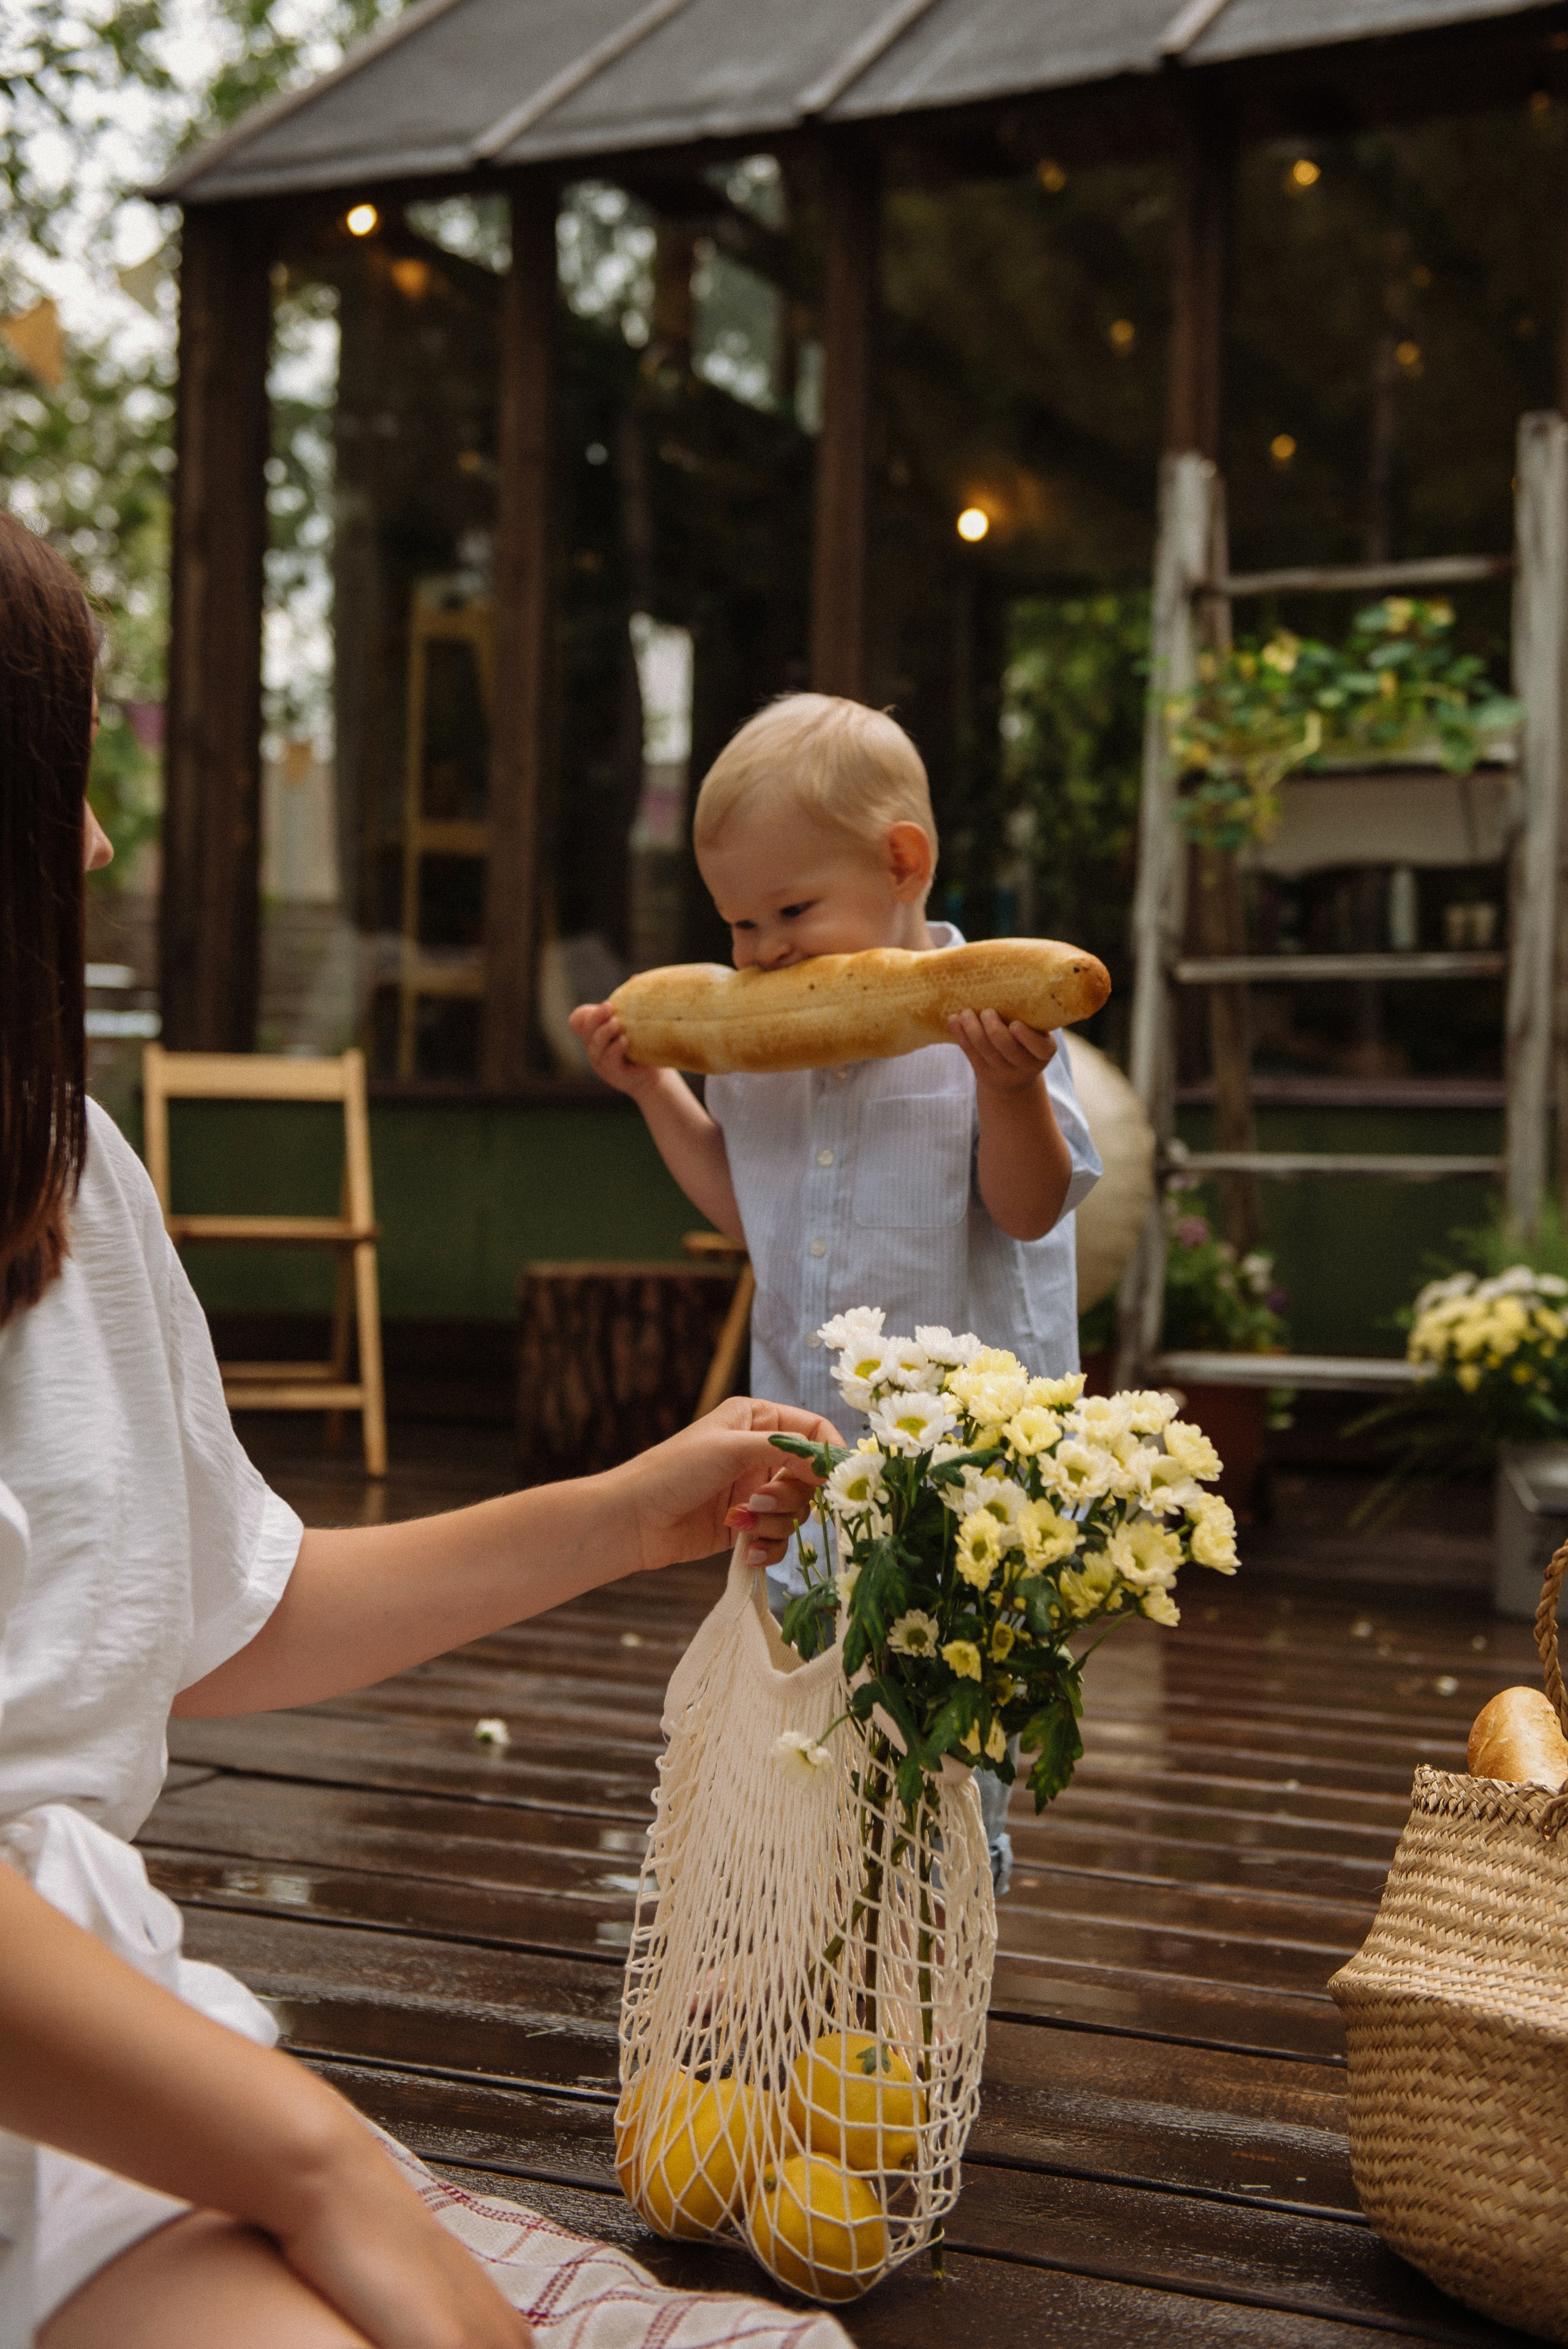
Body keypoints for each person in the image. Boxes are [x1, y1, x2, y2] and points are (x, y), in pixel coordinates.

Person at [0, 509, 840, 2349]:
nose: (95, 837)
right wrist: (319, 2160)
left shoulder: (70, 1168)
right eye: (51, 776)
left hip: (97, 2038)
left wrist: (628, 1513)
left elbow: (212, 1612)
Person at [571, 694, 1102, 1893]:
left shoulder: (988, 1022)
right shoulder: (760, 1059)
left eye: (790, 913)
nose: (758, 952)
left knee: (945, 1701)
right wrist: (656, 1092)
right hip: (810, 1444)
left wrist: (1005, 1087)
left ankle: (941, 1910)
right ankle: (812, 1897)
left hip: (957, 1467)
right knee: (807, 1679)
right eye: (737, 923)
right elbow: (744, 1210)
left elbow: (1026, 1207)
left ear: (901, 862)